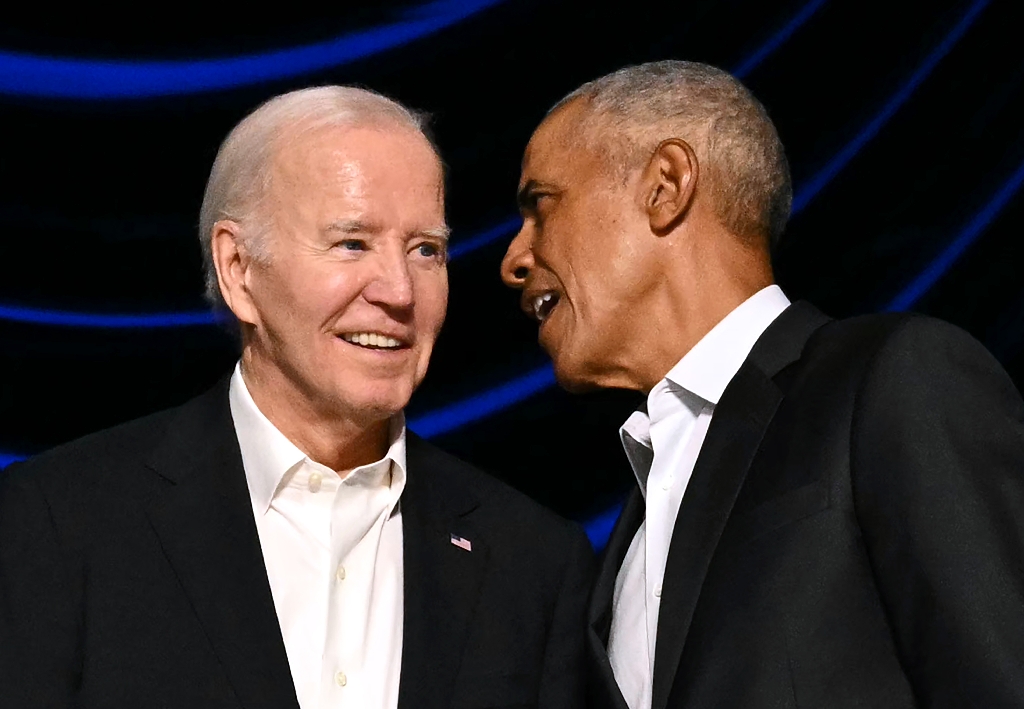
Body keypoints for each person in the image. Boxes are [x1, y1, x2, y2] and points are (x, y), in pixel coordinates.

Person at [0, 86, 593, 709]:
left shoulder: (532, 564)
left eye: (426, 250)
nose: (398, 290)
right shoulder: (57, 525)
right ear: (239, 268)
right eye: (352, 243)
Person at [500, 60, 1024, 708]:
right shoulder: (621, 549)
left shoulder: (893, 379)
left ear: (666, 186)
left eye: (540, 206)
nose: (513, 259)